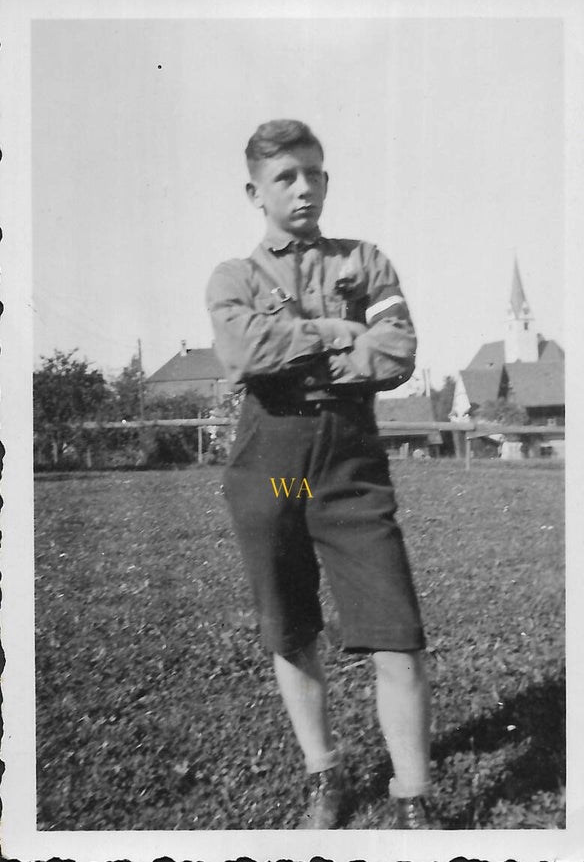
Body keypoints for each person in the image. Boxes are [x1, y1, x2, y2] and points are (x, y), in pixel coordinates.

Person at [206, 119, 431, 829]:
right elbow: (243, 349)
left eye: (314, 173)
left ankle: (414, 796)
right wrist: (336, 333)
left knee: (396, 631)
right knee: (292, 624)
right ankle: (323, 776)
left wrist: (302, 350)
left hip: (347, 460)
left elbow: (396, 352)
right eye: (285, 178)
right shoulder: (234, 276)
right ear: (256, 192)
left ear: (327, 179)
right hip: (273, 460)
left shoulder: (366, 260)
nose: (304, 188)